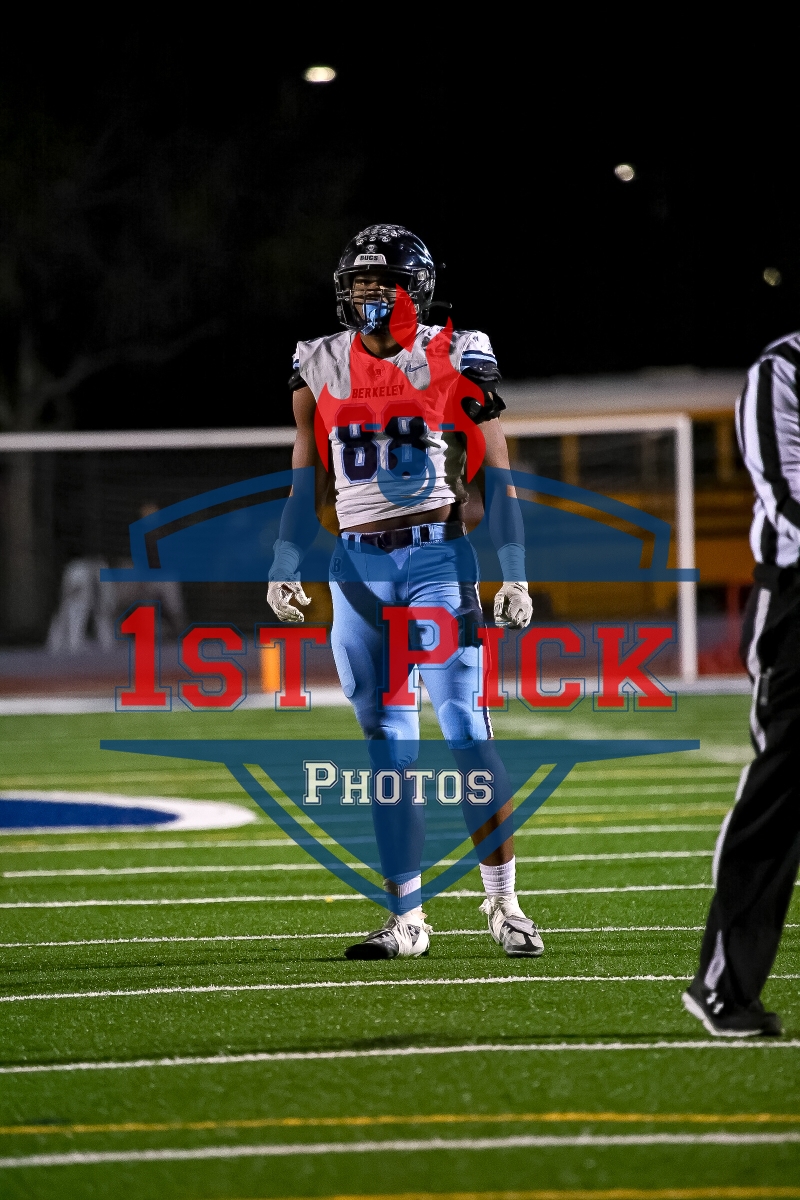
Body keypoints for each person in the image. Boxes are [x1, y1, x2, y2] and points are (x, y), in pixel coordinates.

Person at [267, 223, 541, 961]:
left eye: (381, 283)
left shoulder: (455, 351)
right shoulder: (319, 360)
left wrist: (515, 570)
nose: (367, 295)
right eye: (357, 283)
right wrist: (285, 560)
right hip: (356, 567)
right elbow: (304, 470)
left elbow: (496, 467)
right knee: (387, 749)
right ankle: (407, 918)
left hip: (435, 559)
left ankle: (504, 903)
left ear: (414, 290)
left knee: (466, 732)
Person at [682, 330, 800, 1037]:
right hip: (797, 598)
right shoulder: (783, 369)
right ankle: (724, 984)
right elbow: (787, 494)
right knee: (783, 788)